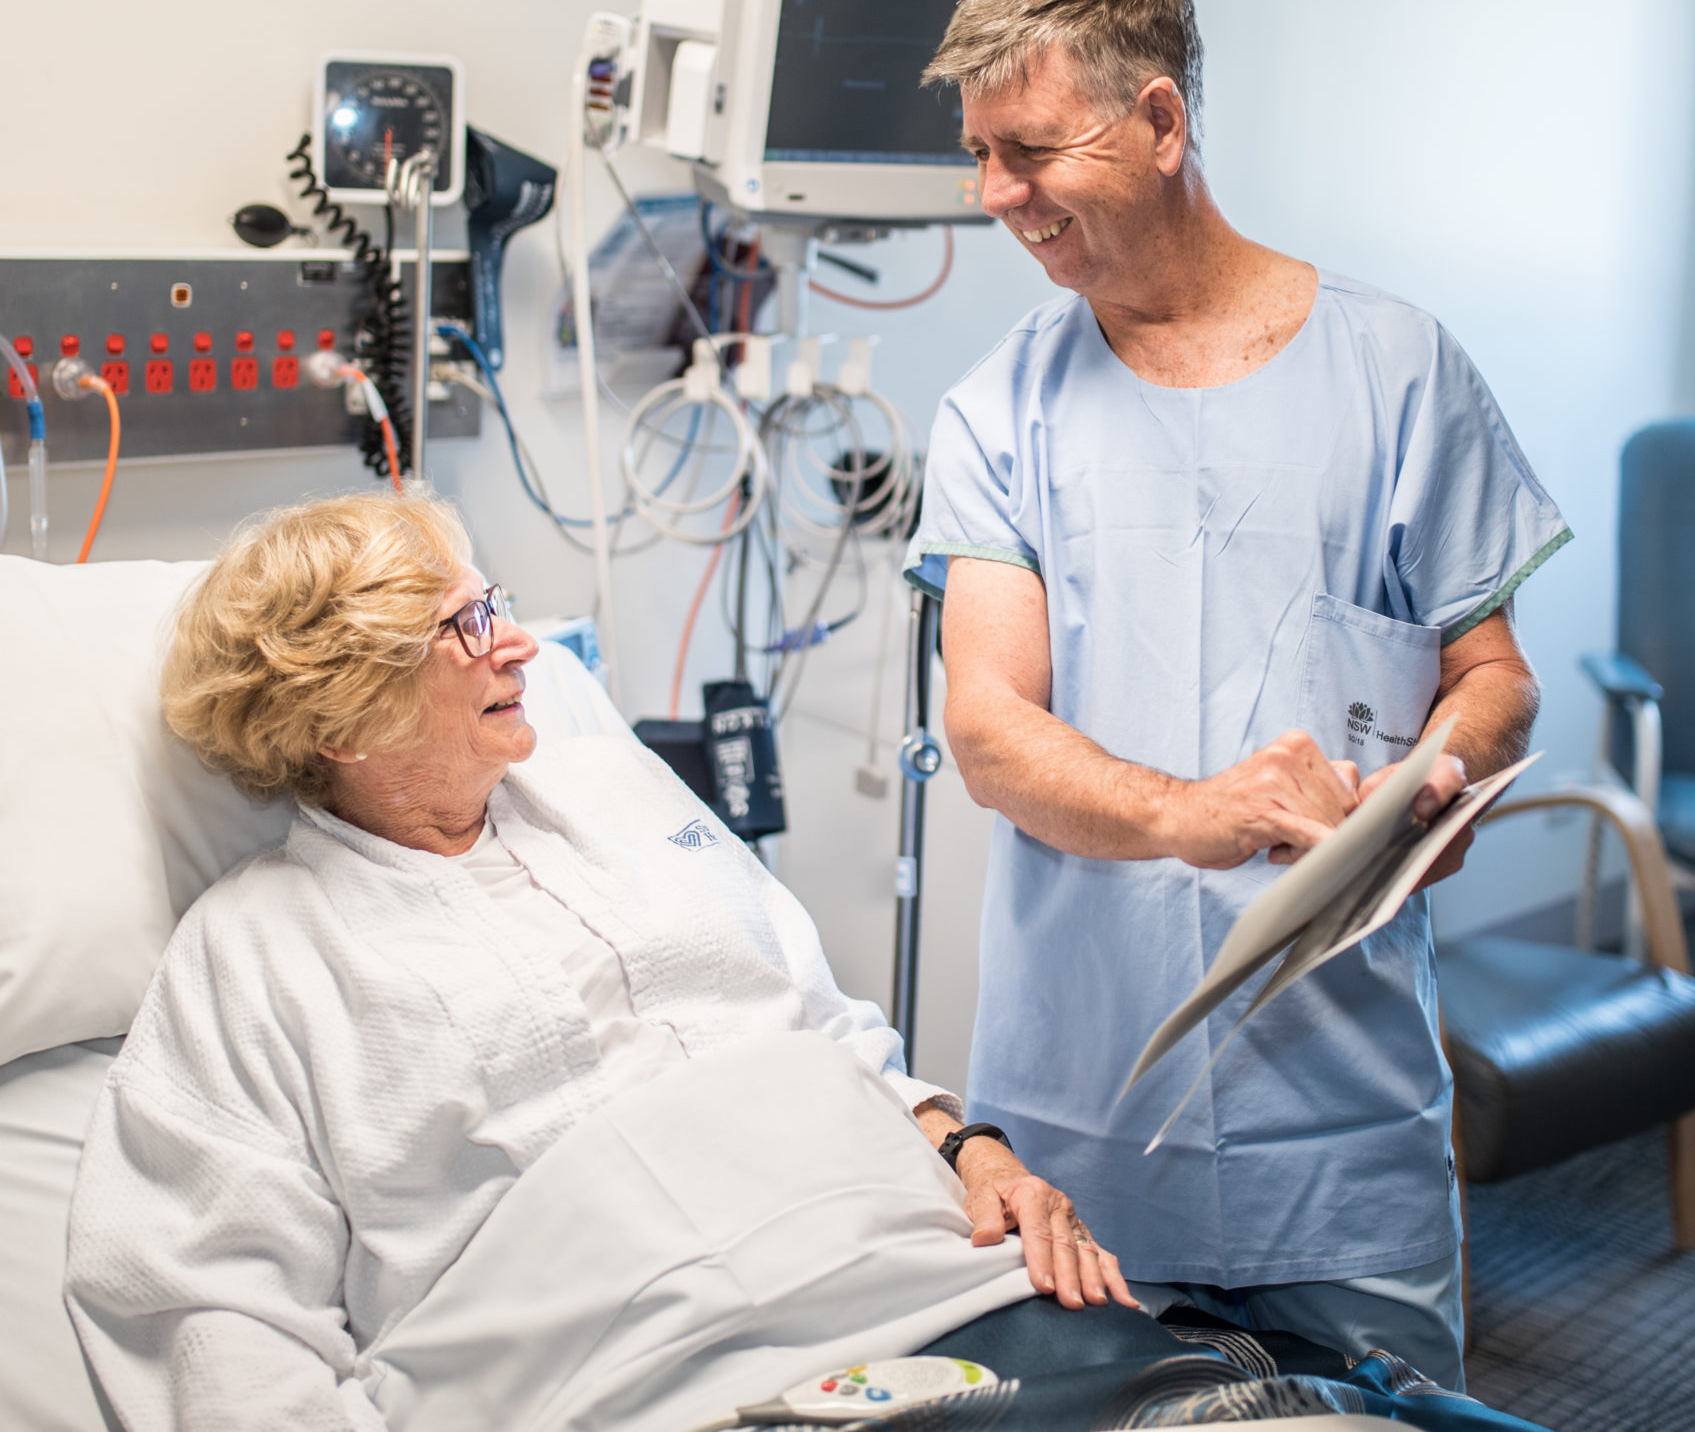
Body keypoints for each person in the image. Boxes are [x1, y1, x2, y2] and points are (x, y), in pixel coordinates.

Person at [63, 491, 1188, 1432]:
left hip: (947, 1288)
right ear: (345, 719)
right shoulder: (259, 953)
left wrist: (971, 1146)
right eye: (464, 628)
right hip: (649, 1385)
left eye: (492, 606)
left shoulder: (617, 787)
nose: (519, 644)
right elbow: (212, 1304)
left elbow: (822, 1032)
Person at [908, 0, 1569, 1390]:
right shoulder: (997, 411)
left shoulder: (1399, 371)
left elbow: (1498, 671)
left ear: (1158, 121)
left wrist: (1440, 776)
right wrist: (1184, 812)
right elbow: (990, 726)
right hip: (1082, 1125)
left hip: (1337, 1132)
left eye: (1028, 149)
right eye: (981, 154)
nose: (995, 194)